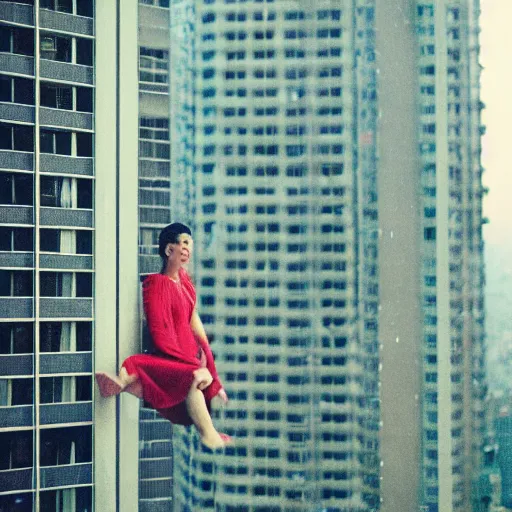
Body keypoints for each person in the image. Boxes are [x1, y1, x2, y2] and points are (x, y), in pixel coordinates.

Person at [95, 222, 231, 450]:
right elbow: (159, 333)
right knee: (191, 377)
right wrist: (195, 366)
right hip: (170, 360)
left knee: (199, 380)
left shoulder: (186, 285)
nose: (188, 250)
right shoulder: (156, 285)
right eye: (184, 244)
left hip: (187, 360)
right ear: (169, 250)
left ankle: (123, 384)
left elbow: (198, 332)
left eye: (191, 245)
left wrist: (214, 377)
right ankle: (209, 435)